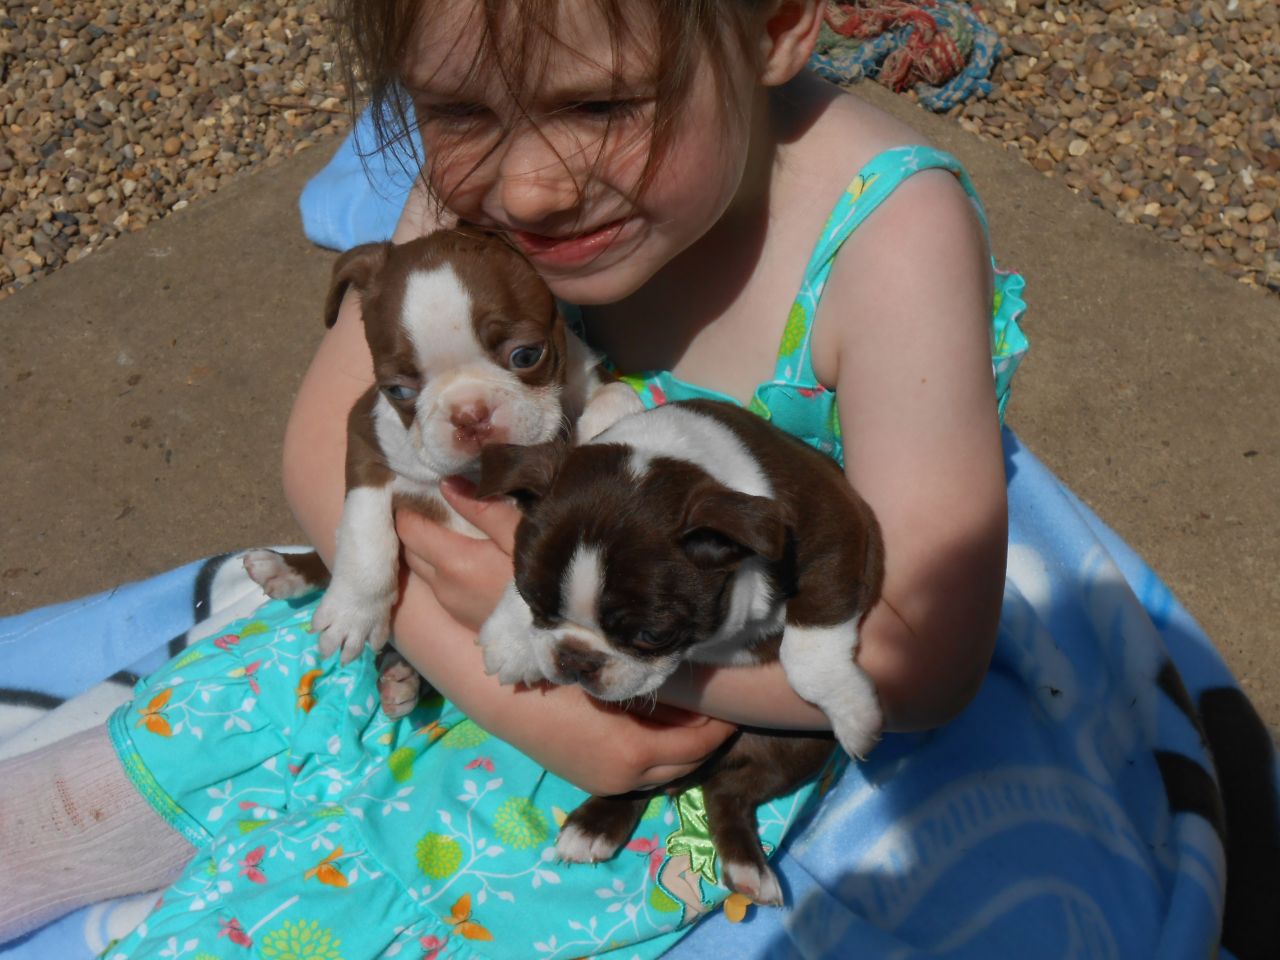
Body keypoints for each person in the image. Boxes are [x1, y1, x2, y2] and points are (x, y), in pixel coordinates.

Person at [3, 1, 1258, 958]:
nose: (530, 183)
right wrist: (501, 689)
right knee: (147, 771)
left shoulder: (882, 235)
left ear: (773, 24)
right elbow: (316, 441)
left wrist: (638, 696)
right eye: (455, 112)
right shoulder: (470, 182)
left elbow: (917, 654)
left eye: (604, 107)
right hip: (450, 632)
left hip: (746, 710)